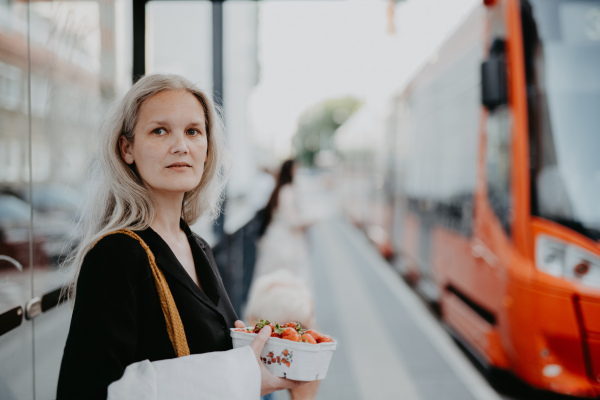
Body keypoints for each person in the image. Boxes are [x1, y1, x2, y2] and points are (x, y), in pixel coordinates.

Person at [56, 74, 303, 399]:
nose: (180, 146)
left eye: (193, 131)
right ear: (127, 148)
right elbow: (90, 392)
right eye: (160, 130)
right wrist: (240, 376)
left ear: (207, 148)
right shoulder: (115, 255)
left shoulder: (196, 245)